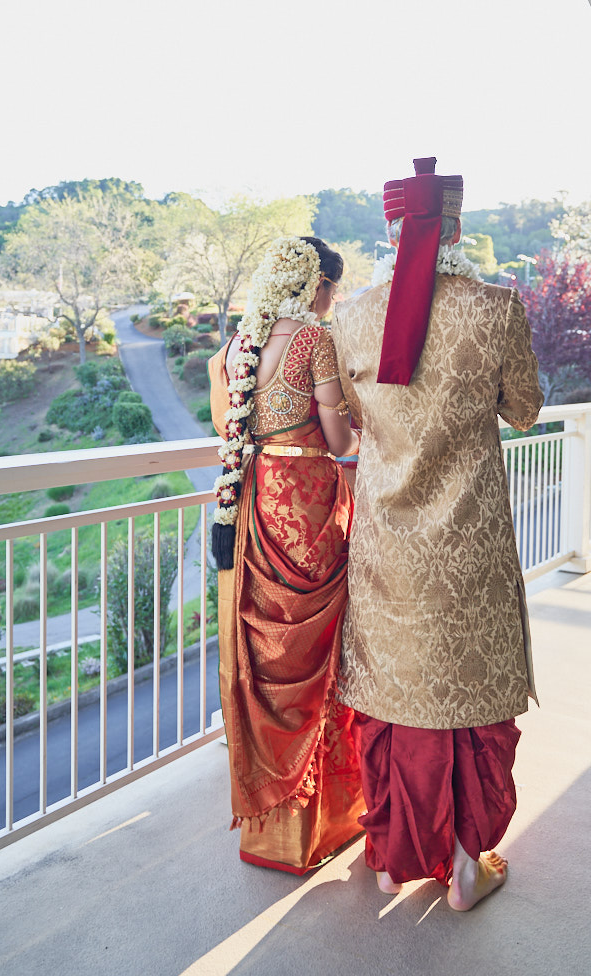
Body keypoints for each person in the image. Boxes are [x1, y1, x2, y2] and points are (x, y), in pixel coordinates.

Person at [332, 158, 543, 910]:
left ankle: (393, 857)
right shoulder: (495, 307)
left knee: (392, 696)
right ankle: (461, 866)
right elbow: (524, 410)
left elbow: (356, 423)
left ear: (392, 231)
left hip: (384, 539)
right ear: (454, 229)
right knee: (467, 696)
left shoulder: (349, 315)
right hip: (469, 542)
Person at [209, 235, 364, 874]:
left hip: (255, 502)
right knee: (322, 645)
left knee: (267, 654)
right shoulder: (312, 341)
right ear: (314, 285)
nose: (331, 298)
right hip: (309, 505)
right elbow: (339, 436)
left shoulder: (234, 349)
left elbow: (227, 429)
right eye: (331, 285)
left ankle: (270, 828)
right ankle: (325, 819)